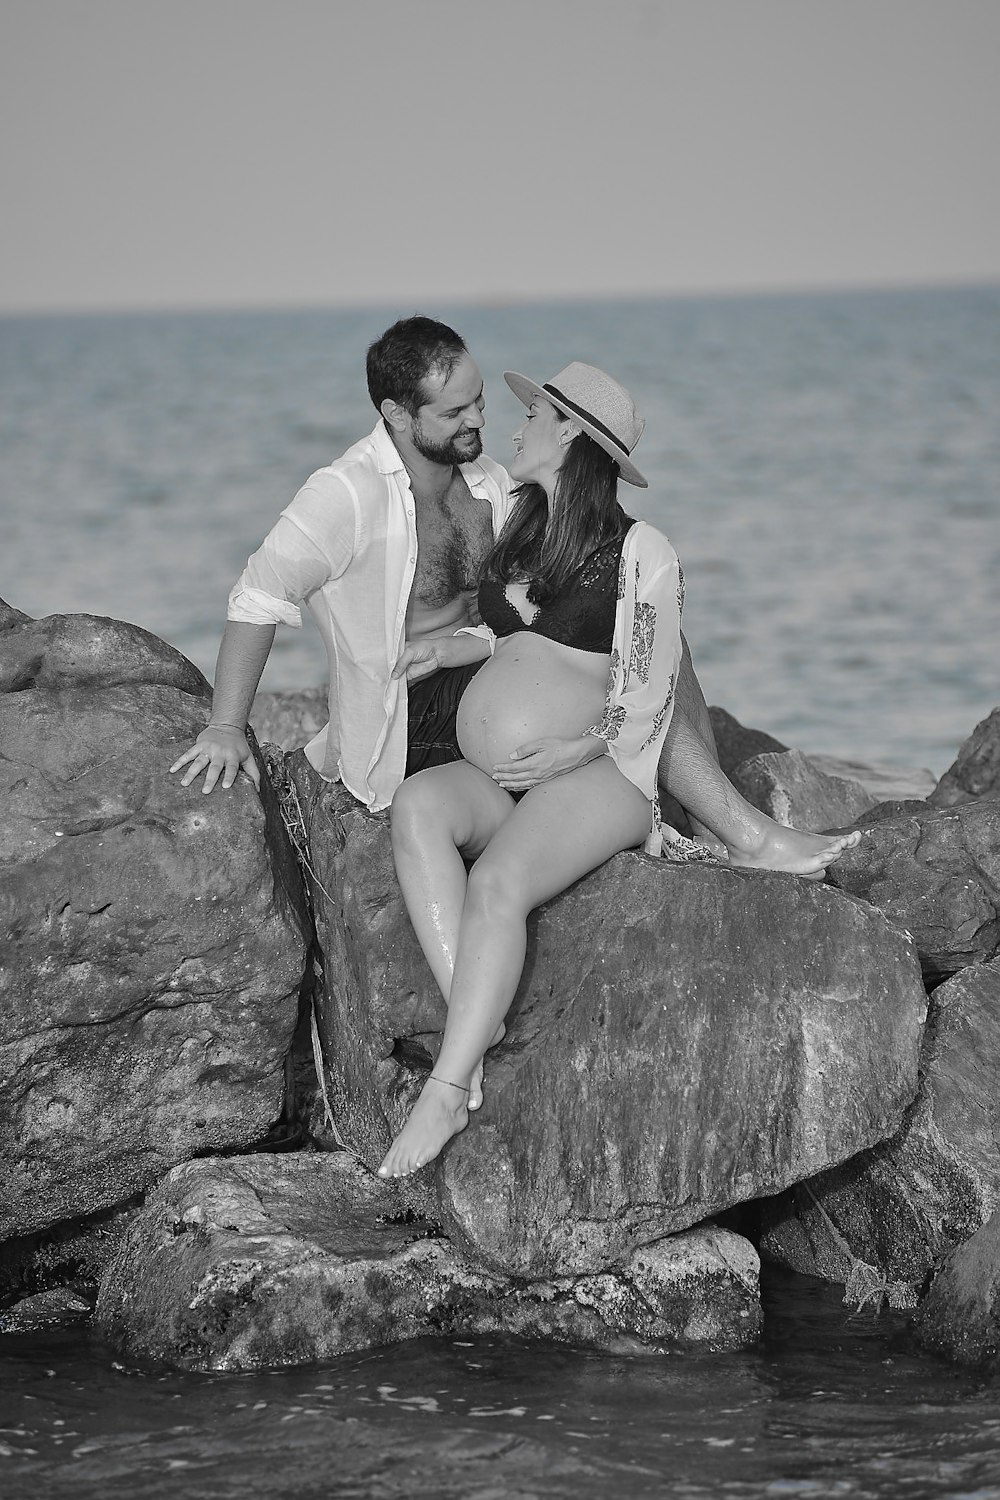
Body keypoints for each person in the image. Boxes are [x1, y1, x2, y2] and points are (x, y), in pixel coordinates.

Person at [378, 362, 858, 1179]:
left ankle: (451, 1087)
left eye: (535, 413)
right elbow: (509, 642)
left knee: (497, 885)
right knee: (418, 805)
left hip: (600, 778)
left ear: (569, 433)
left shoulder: (641, 551)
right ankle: (477, 1012)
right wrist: (449, 649)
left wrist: (576, 746)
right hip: (505, 778)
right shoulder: (519, 531)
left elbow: (648, 681)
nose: (518, 423)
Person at [169, 316, 859, 880]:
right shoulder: (345, 495)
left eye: (480, 400)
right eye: (455, 410)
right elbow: (257, 594)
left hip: (493, 678)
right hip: (413, 715)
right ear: (397, 415)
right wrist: (227, 725)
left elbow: (532, 618)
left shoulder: (495, 487)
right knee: (644, 657)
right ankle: (718, 825)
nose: (479, 419)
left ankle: (697, 825)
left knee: (656, 642)